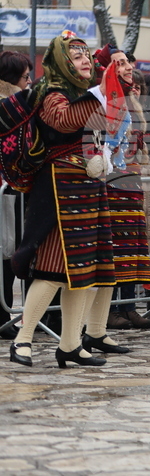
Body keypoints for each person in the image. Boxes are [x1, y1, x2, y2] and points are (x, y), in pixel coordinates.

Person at [9, 31, 116, 368]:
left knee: (84, 271)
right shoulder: (50, 92)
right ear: (61, 63)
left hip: (87, 185)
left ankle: (70, 344)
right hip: (59, 189)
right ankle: (22, 340)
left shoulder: (81, 92)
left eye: (87, 55)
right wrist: (101, 92)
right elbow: (65, 120)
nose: (87, 61)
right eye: (78, 56)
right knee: (53, 269)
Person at [81, 47, 150, 355]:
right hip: (101, 185)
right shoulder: (95, 98)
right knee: (99, 257)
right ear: (104, 68)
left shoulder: (128, 101)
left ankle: (99, 330)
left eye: (128, 62)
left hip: (126, 183)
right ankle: (83, 328)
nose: (127, 67)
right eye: (120, 63)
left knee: (117, 259)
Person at [0, 51, 31, 340]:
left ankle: (6, 313)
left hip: (10, 190)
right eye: (25, 77)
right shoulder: (10, 108)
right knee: (8, 253)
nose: (30, 82)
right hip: (8, 189)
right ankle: (4, 314)